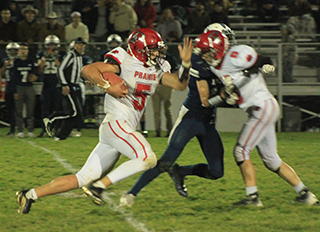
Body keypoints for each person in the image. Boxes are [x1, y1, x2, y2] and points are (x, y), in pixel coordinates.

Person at [15, 28, 193, 214]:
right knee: (147, 158)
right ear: (139, 49)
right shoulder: (123, 58)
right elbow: (88, 70)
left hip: (121, 130)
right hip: (116, 123)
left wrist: (186, 64)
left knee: (83, 177)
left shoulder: (158, 67)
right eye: (152, 49)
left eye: (157, 49)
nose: (157, 53)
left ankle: (29, 195)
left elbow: (180, 84)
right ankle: (99, 187)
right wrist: (107, 86)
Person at [118, 30, 230, 206]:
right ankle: (132, 193)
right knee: (165, 161)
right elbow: (205, 100)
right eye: (209, 52)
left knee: (217, 172)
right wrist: (226, 96)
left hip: (208, 123)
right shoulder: (199, 63)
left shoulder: (222, 65)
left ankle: (180, 172)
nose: (212, 56)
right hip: (191, 119)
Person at [207, 34, 319, 206]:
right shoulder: (217, 69)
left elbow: (263, 59)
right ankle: (305, 195)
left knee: (241, 151)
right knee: (270, 159)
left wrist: (266, 65)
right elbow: (226, 92)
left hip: (262, 107)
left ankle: (252, 198)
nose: (207, 55)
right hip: (261, 108)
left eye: (209, 51)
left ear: (220, 47)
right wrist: (228, 96)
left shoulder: (235, 55)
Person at [43, 37, 86, 141]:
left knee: (75, 113)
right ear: (74, 45)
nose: (81, 46)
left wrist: (84, 81)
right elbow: (61, 69)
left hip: (74, 86)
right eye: (78, 44)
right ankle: (51, 119)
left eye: (82, 44)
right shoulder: (71, 55)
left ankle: (61, 136)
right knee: (73, 112)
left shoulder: (79, 57)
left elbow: (76, 73)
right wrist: (64, 84)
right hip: (69, 86)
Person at [37, 35, 65, 137]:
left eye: (53, 45)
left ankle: (55, 129)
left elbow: (62, 68)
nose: (51, 47)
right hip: (46, 83)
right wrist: (44, 59)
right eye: (49, 45)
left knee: (57, 108)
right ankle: (45, 130)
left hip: (57, 83)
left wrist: (54, 58)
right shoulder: (41, 54)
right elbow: (39, 70)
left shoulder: (62, 54)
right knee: (45, 108)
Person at [11, 43, 38, 138]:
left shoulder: (31, 61)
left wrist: (34, 77)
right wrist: (14, 91)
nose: (23, 51)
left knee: (30, 110)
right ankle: (20, 130)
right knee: (18, 110)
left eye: (25, 49)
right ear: (18, 51)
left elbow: (35, 74)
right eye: (21, 49)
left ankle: (30, 130)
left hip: (29, 87)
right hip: (19, 87)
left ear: (27, 50)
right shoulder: (15, 62)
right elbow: (12, 78)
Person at [151, 52, 179, 137]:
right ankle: (158, 131)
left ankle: (170, 130)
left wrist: (172, 83)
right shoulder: (152, 58)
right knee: (156, 111)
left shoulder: (170, 58)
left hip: (166, 86)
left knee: (167, 109)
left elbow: (176, 71)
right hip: (155, 84)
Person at [0, 42, 19, 137]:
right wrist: (5, 65)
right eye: (11, 51)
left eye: (14, 50)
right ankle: (12, 129)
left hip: (19, 87)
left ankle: (21, 130)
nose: (12, 52)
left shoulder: (20, 60)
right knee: (10, 109)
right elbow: (1, 73)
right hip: (8, 86)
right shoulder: (5, 60)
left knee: (19, 110)